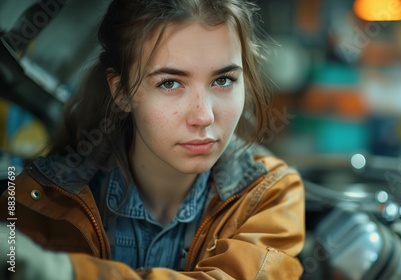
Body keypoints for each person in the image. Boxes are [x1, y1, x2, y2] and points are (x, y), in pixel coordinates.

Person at [0, 0, 305, 279]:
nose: (204, 116)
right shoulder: (38, 198)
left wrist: (64, 273)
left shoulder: (271, 194)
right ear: (121, 92)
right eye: (170, 83)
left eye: (223, 80)